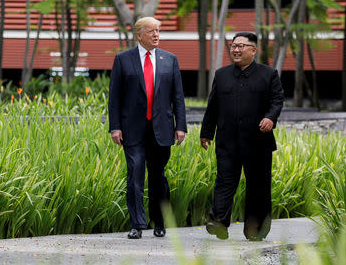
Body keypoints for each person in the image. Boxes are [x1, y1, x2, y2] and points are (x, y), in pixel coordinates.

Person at [200, 32, 284, 241]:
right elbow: (213, 107)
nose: (236, 50)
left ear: (253, 50)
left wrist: (270, 118)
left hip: (258, 142)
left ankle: (255, 231)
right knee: (225, 181)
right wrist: (206, 133)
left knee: (258, 187)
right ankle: (218, 222)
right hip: (227, 141)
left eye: (241, 46)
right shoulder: (221, 74)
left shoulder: (269, 74)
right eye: (233, 45)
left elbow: (277, 101)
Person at [108, 17, 187, 239]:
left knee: (158, 177)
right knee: (134, 174)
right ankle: (137, 224)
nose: (156, 35)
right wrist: (115, 127)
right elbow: (114, 97)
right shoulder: (123, 60)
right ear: (139, 35)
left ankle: (159, 222)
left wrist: (180, 127)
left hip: (161, 129)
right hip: (132, 129)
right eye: (151, 31)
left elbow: (178, 97)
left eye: (158, 31)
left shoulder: (170, 60)